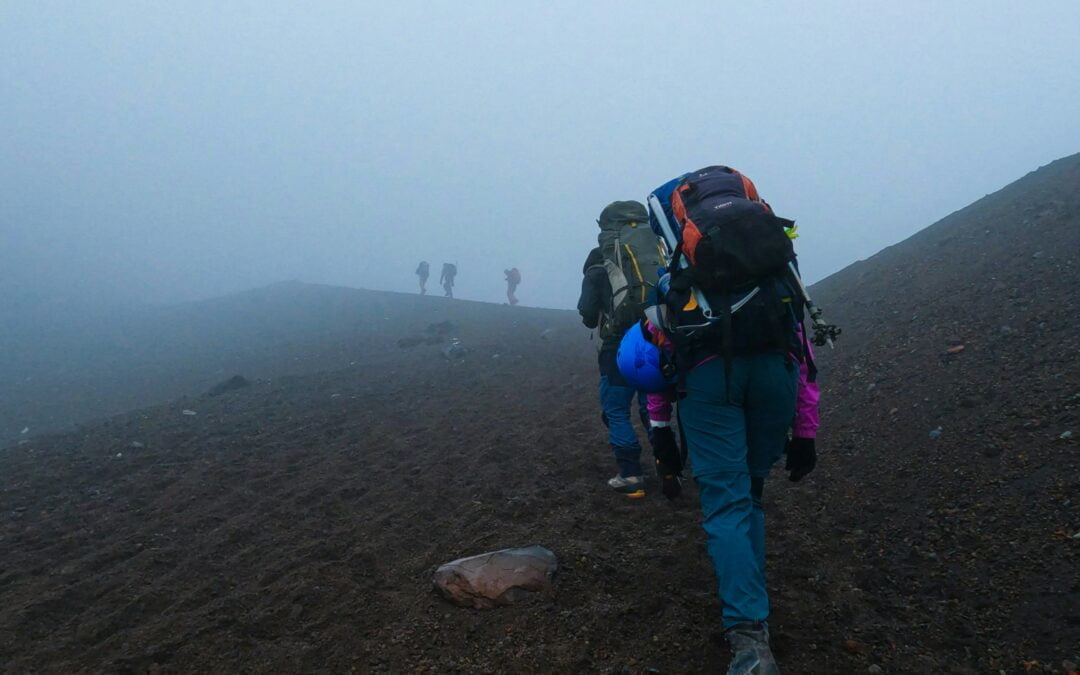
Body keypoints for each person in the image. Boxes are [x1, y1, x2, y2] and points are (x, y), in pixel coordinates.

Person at [644, 166, 821, 674]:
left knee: (725, 504)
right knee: (752, 492)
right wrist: (804, 431)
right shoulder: (775, 266)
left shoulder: (672, 275)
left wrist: (660, 434)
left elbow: (660, 361)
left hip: (707, 383)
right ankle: (753, 612)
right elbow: (803, 350)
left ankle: (749, 640)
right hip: (775, 378)